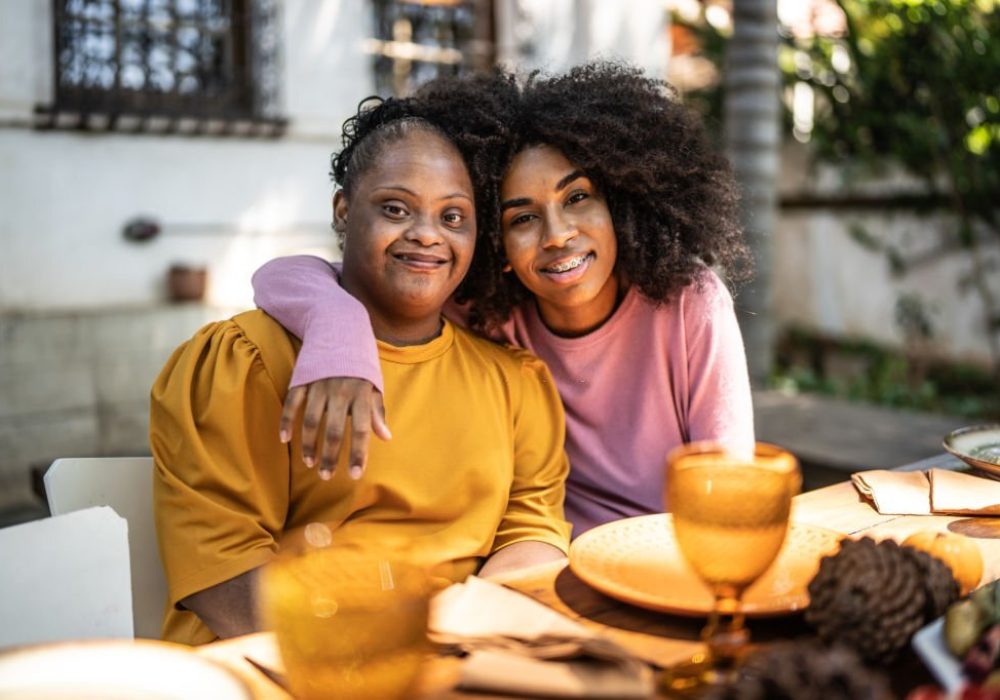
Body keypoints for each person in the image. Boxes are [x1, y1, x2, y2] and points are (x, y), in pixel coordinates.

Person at [252, 61, 755, 536]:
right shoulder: (488, 312)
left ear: (619, 202)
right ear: (498, 245)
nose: (557, 235)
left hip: (676, 555)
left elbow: (729, 487)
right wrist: (338, 330)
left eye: (577, 198)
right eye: (522, 218)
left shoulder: (689, 302)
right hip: (545, 564)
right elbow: (284, 276)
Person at [150, 96, 571, 645]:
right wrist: (383, 657)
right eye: (396, 209)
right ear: (344, 212)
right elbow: (223, 573)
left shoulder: (514, 382)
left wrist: (467, 639)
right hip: (282, 659)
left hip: (460, 654)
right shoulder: (246, 359)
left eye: (453, 217)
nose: (427, 234)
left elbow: (531, 530)